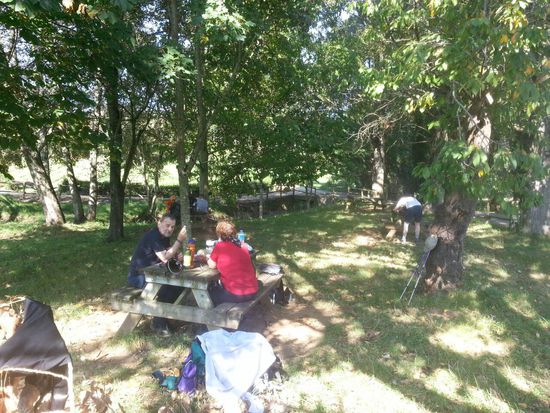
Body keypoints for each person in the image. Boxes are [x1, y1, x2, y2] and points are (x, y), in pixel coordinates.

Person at [128, 213, 187, 336]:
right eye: (167, 225)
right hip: (138, 276)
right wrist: (179, 240)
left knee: (179, 286)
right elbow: (165, 257)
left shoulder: (163, 237)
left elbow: (167, 255)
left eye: (172, 227)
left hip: (152, 274)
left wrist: (176, 256)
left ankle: (161, 319)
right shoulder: (154, 236)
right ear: (159, 223)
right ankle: (159, 322)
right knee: (166, 288)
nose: (170, 229)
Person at [207, 221, 259, 306]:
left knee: (209, 292)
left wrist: (206, 258)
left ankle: (215, 314)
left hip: (237, 294)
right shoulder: (243, 245)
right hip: (253, 291)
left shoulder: (220, 246)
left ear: (219, 235)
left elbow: (211, 265)